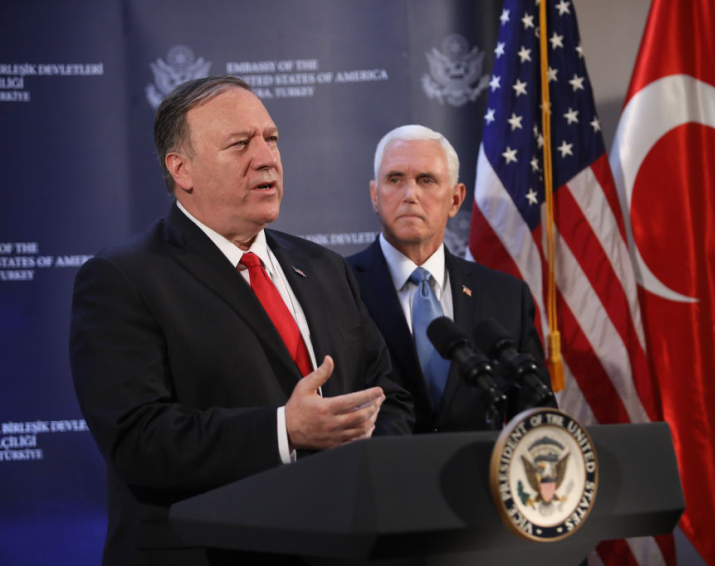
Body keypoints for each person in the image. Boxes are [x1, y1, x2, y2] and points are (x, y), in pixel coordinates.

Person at [69, 76, 414, 566]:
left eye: (271, 138)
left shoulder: (322, 267)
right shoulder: (124, 277)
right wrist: (284, 431)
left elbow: (389, 394)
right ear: (181, 168)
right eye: (240, 144)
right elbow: (138, 438)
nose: (266, 157)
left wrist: (359, 462)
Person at [346, 125, 553, 434]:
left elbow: (537, 417)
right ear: (375, 196)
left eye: (426, 180)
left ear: (455, 199)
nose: (410, 194)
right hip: (378, 477)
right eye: (395, 179)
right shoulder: (337, 287)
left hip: (479, 477)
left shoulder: (506, 296)